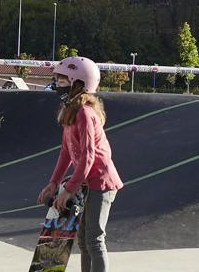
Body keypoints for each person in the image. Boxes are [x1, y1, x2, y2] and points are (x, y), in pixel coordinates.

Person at [36, 56, 123, 272]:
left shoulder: (85, 113)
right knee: (84, 242)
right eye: (56, 80)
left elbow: (87, 157)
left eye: (63, 81)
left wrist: (69, 189)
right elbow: (66, 152)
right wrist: (53, 183)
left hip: (101, 183)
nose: (57, 85)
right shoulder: (70, 111)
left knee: (94, 240)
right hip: (86, 183)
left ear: (79, 83)